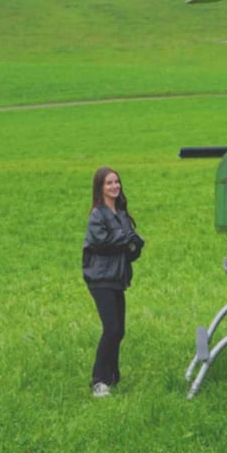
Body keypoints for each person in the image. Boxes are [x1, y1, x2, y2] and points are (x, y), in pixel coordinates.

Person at [82, 166, 144, 398]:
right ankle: (98, 380)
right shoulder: (97, 215)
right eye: (109, 183)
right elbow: (102, 243)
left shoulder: (122, 213)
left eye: (116, 182)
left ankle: (112, 376)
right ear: (100, 188)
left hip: (117, 277)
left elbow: (129, 247)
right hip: (100, 278)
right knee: (111, 328)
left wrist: (134, 244)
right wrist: (127, 240)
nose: (114, 186)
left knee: (119, 330)